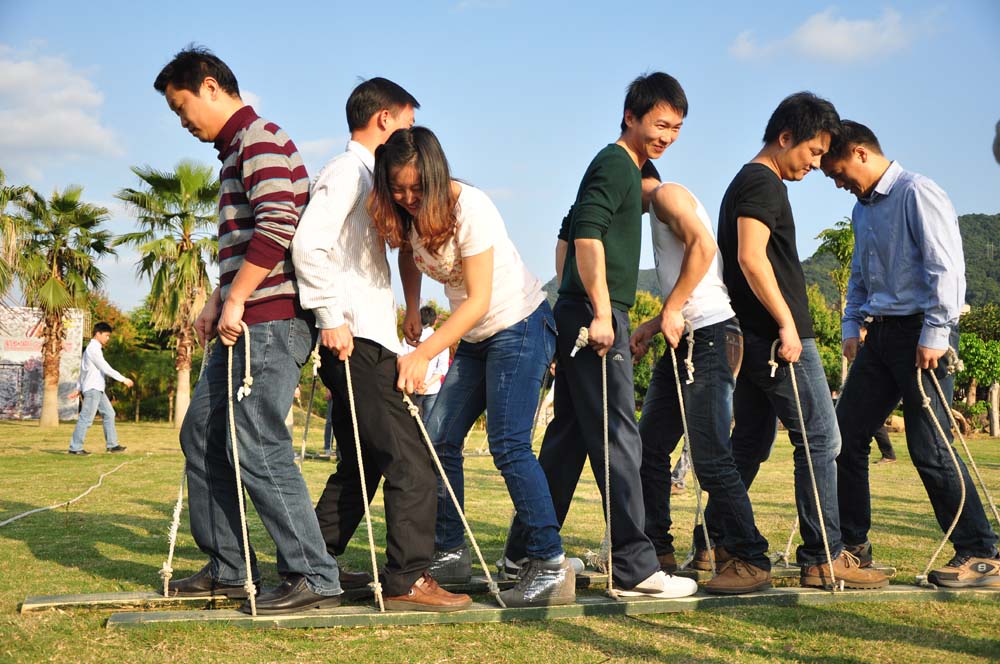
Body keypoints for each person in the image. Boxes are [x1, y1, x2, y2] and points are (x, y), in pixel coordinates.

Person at [155, 46, 343, 615]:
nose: (182, 121)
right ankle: (230, 569)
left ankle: (314, 575)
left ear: (211, 87)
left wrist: (236, 297)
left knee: (257, 440)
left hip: (270, 319)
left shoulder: (259, 138)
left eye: (181, 106)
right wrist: (219, 297)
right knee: (201, 433)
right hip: (241, 316)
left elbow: (279, 223)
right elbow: (247, 243)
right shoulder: (235, 149)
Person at [507, 73, 701, 599]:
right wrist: (598, 311)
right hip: (598, 313)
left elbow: (568, 233)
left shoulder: (625, 169)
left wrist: (574, 298)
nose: (667, 136)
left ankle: (525, 552)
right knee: (619, 434)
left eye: (676, 128)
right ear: (630, 117)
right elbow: (586, 235)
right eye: (660, 124)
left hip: (583, 308)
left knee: (569, 437)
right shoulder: (616, 163)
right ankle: (635, 567)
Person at [369, 126, 575, 607]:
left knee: (508, 443)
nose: (408, 198)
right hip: (478, 336)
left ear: (436, 176)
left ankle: (550, 564)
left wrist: (423, 352)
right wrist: (413, 306)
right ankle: (449, 551)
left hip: (519, 324)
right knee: (438, 438)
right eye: (397, 189)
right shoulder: (410, 216)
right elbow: (409, 256)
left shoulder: (472, 209)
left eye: (417, 188)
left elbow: (479, 300)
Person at [292, 80, 471, 611]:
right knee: (411, 461)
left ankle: (311, 563)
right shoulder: (347, 172)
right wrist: (330, 317)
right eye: (408, 123)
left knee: (362, 466)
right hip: (356, 341)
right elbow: (308, 245)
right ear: (385, 120)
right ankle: (407, 579)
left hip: (369, 339)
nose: (411, 135)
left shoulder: (368, 179)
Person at [716, 92, 888, 590]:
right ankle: (823, 556)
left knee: (750, 442)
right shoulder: (762, 182)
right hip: (777, 338)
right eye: (813, 152)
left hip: (752, 336)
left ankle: (719, 542)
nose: (815, 164)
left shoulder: (749, 180)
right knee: (821, 439)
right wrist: (787, 323)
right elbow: (751, 257)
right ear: (785, 137)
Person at [821, 120, 999, 587]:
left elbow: (947, 267)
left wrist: (937, 332)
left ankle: (982, 553)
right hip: (879, 335)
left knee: (930, 446)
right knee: (843, 436)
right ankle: (854, 548)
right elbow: (859, 273)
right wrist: (851, 324)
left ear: (860, 153)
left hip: (924, 333)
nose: (838, 184)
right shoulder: (862, 210)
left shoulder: (917, 192)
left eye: (838, 172)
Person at [631, 161, 772, 594]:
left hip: (709, 336)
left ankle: (751, 557)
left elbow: (704, 247)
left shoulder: (666, 194)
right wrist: (655, 324)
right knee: (649, 446)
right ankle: (656, 551)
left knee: (711, 457)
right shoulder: (658, 210)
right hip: (688, 336)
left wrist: (670, 309)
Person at [67, 322, 132, 455]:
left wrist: (78, 388)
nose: (108, 338)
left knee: (109, 413)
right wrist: (123, 379)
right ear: (98, 334)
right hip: (93, 389)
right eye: (106, 335)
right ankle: (75, 448)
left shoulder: (93, 349)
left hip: (97, 389)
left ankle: (112, 445)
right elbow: (104, 367)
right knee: (86, 418)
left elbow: (83, 371)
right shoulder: (93, 349)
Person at [398, 305, 450, 422]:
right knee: (429, 424)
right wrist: (426, 384)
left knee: (411, 423)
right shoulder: (441, 340)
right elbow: (442, 368)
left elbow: (402, 360)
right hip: (432, 389)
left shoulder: (408, 339)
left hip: (411, 387)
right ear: (435, 322)